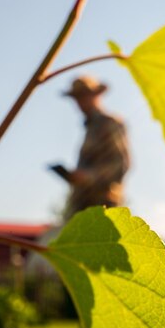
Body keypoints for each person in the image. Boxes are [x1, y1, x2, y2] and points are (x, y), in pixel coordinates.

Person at [56, 75, 130, 220]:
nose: (79, 102)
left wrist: (87, 177)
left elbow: (121, 164)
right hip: (82, 206)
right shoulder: (89, 128)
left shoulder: (109, 123)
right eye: (76, 98)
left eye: (83, 96)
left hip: (103, 206)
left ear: (96, 95)